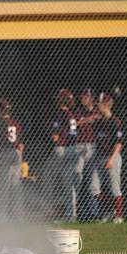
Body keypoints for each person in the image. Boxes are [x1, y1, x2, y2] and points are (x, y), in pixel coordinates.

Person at [93, 92, 123, 223]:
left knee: (114, 186)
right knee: (94, 187)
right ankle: (108, 211)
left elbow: (119, 143)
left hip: (113, 157)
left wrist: (111, 159)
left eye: (99, 103)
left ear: (106, 105)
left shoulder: (115, 121)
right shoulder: (99, 122)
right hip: (100, 157)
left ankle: (118, 215)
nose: (97, 106)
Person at [52, 88, 80, 222]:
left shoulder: (60, 114)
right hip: (74, 148)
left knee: (67, 183)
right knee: (71, 182)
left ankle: (70, 215)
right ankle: (71, 214)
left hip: (63, 148)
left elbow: (55, 137)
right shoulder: (72, 114)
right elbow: (74, 133)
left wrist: (57, 140)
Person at [76, 88, 100, 221]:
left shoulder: (97, 111)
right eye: (83, 97)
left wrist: (92, 118)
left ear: (92, 98)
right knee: (78, 177)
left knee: (93, 179)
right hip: (80, 146)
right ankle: (80, 211)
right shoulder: (79, 112)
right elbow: (73, 125)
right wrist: (87, 119)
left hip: (93, 146)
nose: (83, 99)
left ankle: (94, 212)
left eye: (86, 97)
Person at [0, 98, 25, 219]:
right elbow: (20, 144)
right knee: (16, 184)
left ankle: (3, 214)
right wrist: (20, 156)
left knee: (4, 185)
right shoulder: (16, 123)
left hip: (4, 152)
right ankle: (18, 214)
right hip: (16, 152)